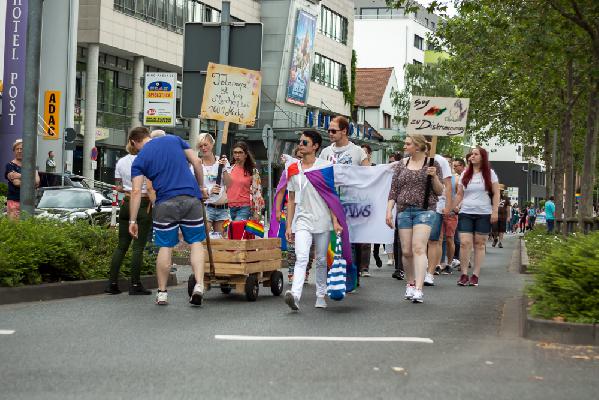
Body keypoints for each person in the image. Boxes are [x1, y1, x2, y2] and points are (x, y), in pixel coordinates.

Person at [128, 128, 206, 306]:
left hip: (165, 203)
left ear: (134, 142)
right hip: (190, 198)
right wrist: (201, 187)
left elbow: (135, 191)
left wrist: (133, 221)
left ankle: (162, 293)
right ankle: (199, 285)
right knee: (196, 242)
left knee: (165, 246)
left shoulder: (139, 160)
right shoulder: (174, 139)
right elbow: (196, 162)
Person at [284, 130, 343, 311]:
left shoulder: (325, 167)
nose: (300, 145)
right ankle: (295, 295)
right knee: (301, 258)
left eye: (305, 142)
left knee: (321, 260)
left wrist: (335, 221)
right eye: (300, 142)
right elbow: (291, 199)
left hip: (323, 220)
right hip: (302, 220)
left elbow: (331, 197)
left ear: (315, 146)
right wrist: (289, 225)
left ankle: (320, 295)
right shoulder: (293, 169)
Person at [386, 135, 444, 303]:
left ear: (417, 147)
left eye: (408, 143)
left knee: (418, 247)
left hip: (425, 210)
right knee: (406, 251)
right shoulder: (401, 165)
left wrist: (434, 177)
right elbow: (394, 190)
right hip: (404, 210)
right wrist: (389, 211)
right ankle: (410, 284)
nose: (405, 146)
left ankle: (419, 288)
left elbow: (439, 191)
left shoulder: (433, 164)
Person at [319, 116, 369, 289]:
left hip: (351, 202)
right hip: (330, 201)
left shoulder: (357, 151)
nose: (330, 133)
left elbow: (368, 174)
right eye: (329, 131)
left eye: (333, 130)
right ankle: (332, 276)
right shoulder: (325, 152)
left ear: (344, 131)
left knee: (350, 241)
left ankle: (351, 278)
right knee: (330, 239)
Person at [105, 128, 154, 295]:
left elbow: (118, 185)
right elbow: (149, 186)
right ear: (138, 141)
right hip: (142, 202)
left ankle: (112, 283)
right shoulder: (148, 160)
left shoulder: (121, 161)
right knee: (138, 247)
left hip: (125, 202)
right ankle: (135, 284)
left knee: (121, 246)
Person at [452, 146, 500, 287]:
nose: (472, 156)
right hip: (466, 212)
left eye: (475, 154)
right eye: (471, 154)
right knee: (465, 243)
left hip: (484, 213)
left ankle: (475, 275)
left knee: (479, 244)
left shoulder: (490, 174)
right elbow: (460, 194)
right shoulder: (465, 173)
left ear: (482, 157)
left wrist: (495, 211)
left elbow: (496, 193)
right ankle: (464, 274)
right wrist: (453, 206)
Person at [425, 151, 453, 285]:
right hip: (418, 205)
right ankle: (422, 268)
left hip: (436, 205)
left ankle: (431, 271)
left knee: (434, 239)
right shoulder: (411, 159)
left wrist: (448, 205)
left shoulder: (441, 160)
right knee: (420, 241)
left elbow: (448, 184)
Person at [197, 133, 230, 237]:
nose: (203, 148)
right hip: (205, 206)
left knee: (220, 242)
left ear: (212, 144)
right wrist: (209, 191)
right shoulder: (197, 164)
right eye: (200, 146)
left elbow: (229, 184)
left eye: (205, 145)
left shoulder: (221, 162)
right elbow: (193, 187)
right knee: (203, 240)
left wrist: (224, 168)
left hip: (222, 208)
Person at [224, 141, 264, 221]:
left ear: (246, 155)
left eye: (240, 152)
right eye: (235, 153)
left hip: (244, 207)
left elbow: (257, 192)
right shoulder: (228, 169)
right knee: (230, 232)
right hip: (227, 207)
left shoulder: (253, 171)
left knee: (237, 229)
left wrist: (257, 212)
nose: (237, 155)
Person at [4, 139, 40, 220]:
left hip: (29, 202)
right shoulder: (10, 165)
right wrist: (31, 178)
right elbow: (16, 183)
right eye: (17, 149)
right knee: (15, 228)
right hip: (14, 201)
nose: (19, 151)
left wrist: (19, 175)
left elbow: (37, 181)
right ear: (14, 151)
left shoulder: (32, 165)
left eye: (22, 149)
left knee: (27, 227)